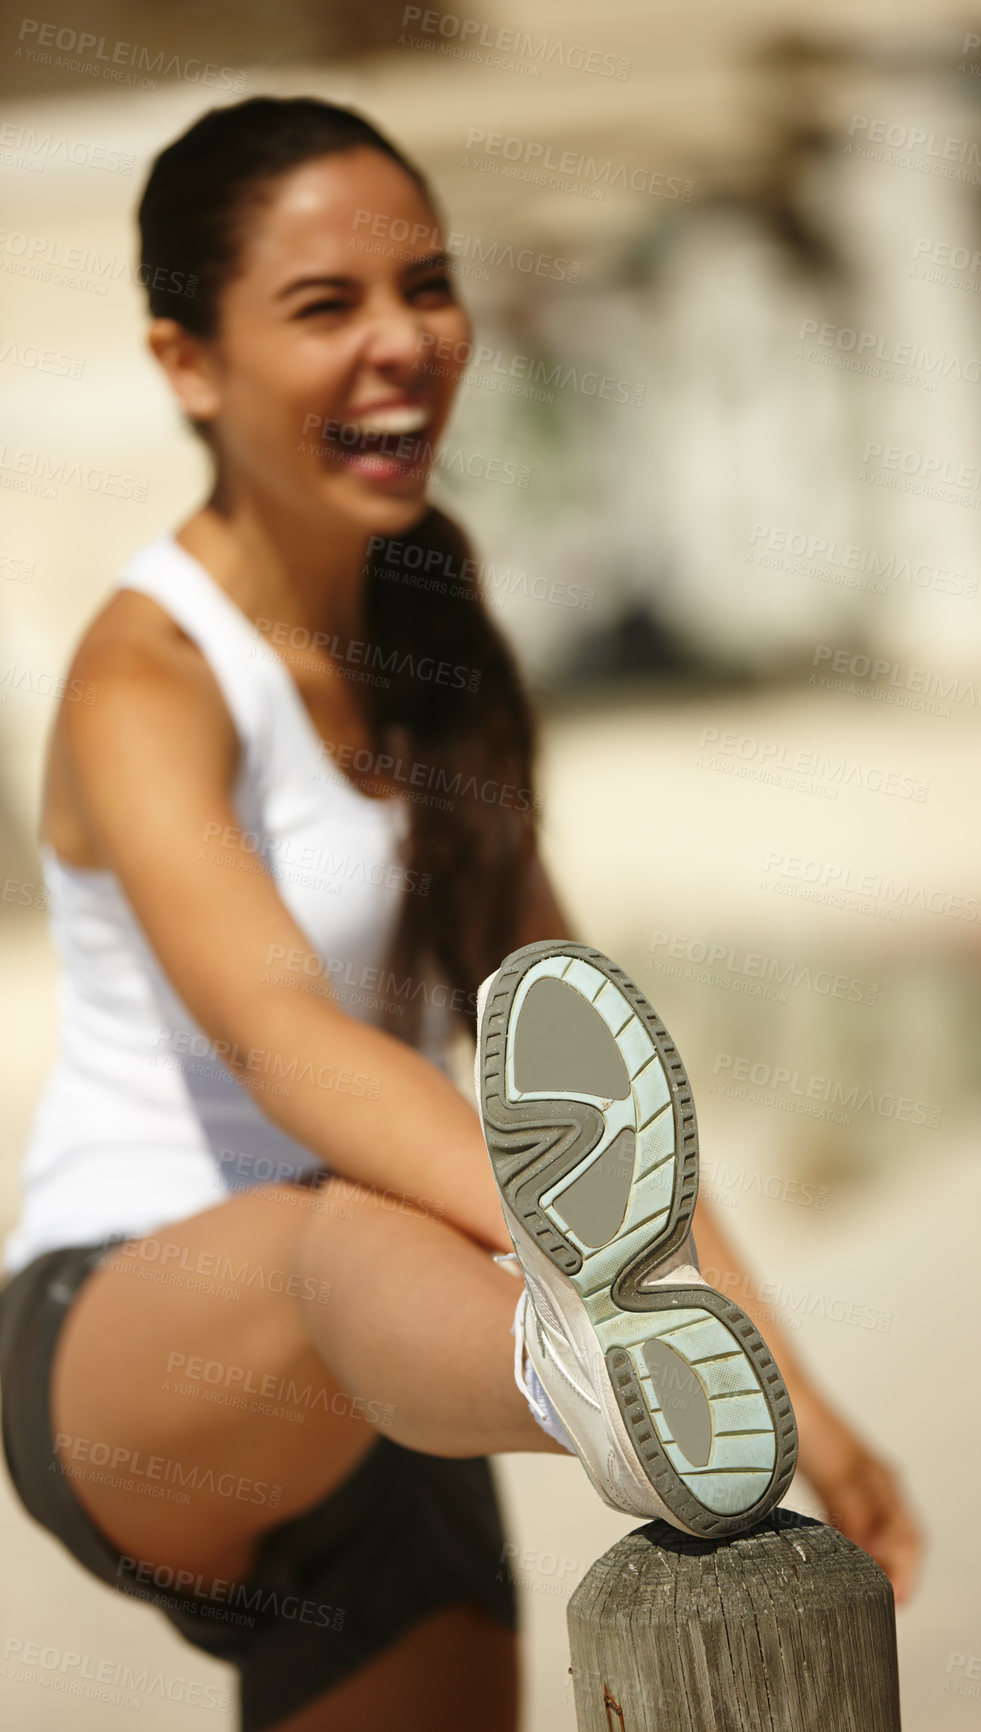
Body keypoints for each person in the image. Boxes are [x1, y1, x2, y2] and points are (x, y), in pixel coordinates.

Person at [0, 95, 921, 1732]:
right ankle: (578, 1383)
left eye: (427, 286)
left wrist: (781, 1384)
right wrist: (545, 1268)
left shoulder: (434, 610)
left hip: (399, 1372)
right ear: (187, 363)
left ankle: (609, 1376)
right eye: (323, 305)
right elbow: (284, 1041)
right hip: (143, 1343)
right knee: (337, 1219)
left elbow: (580, 1080)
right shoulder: (146, 674)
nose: (403, 343)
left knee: (397, 1219)